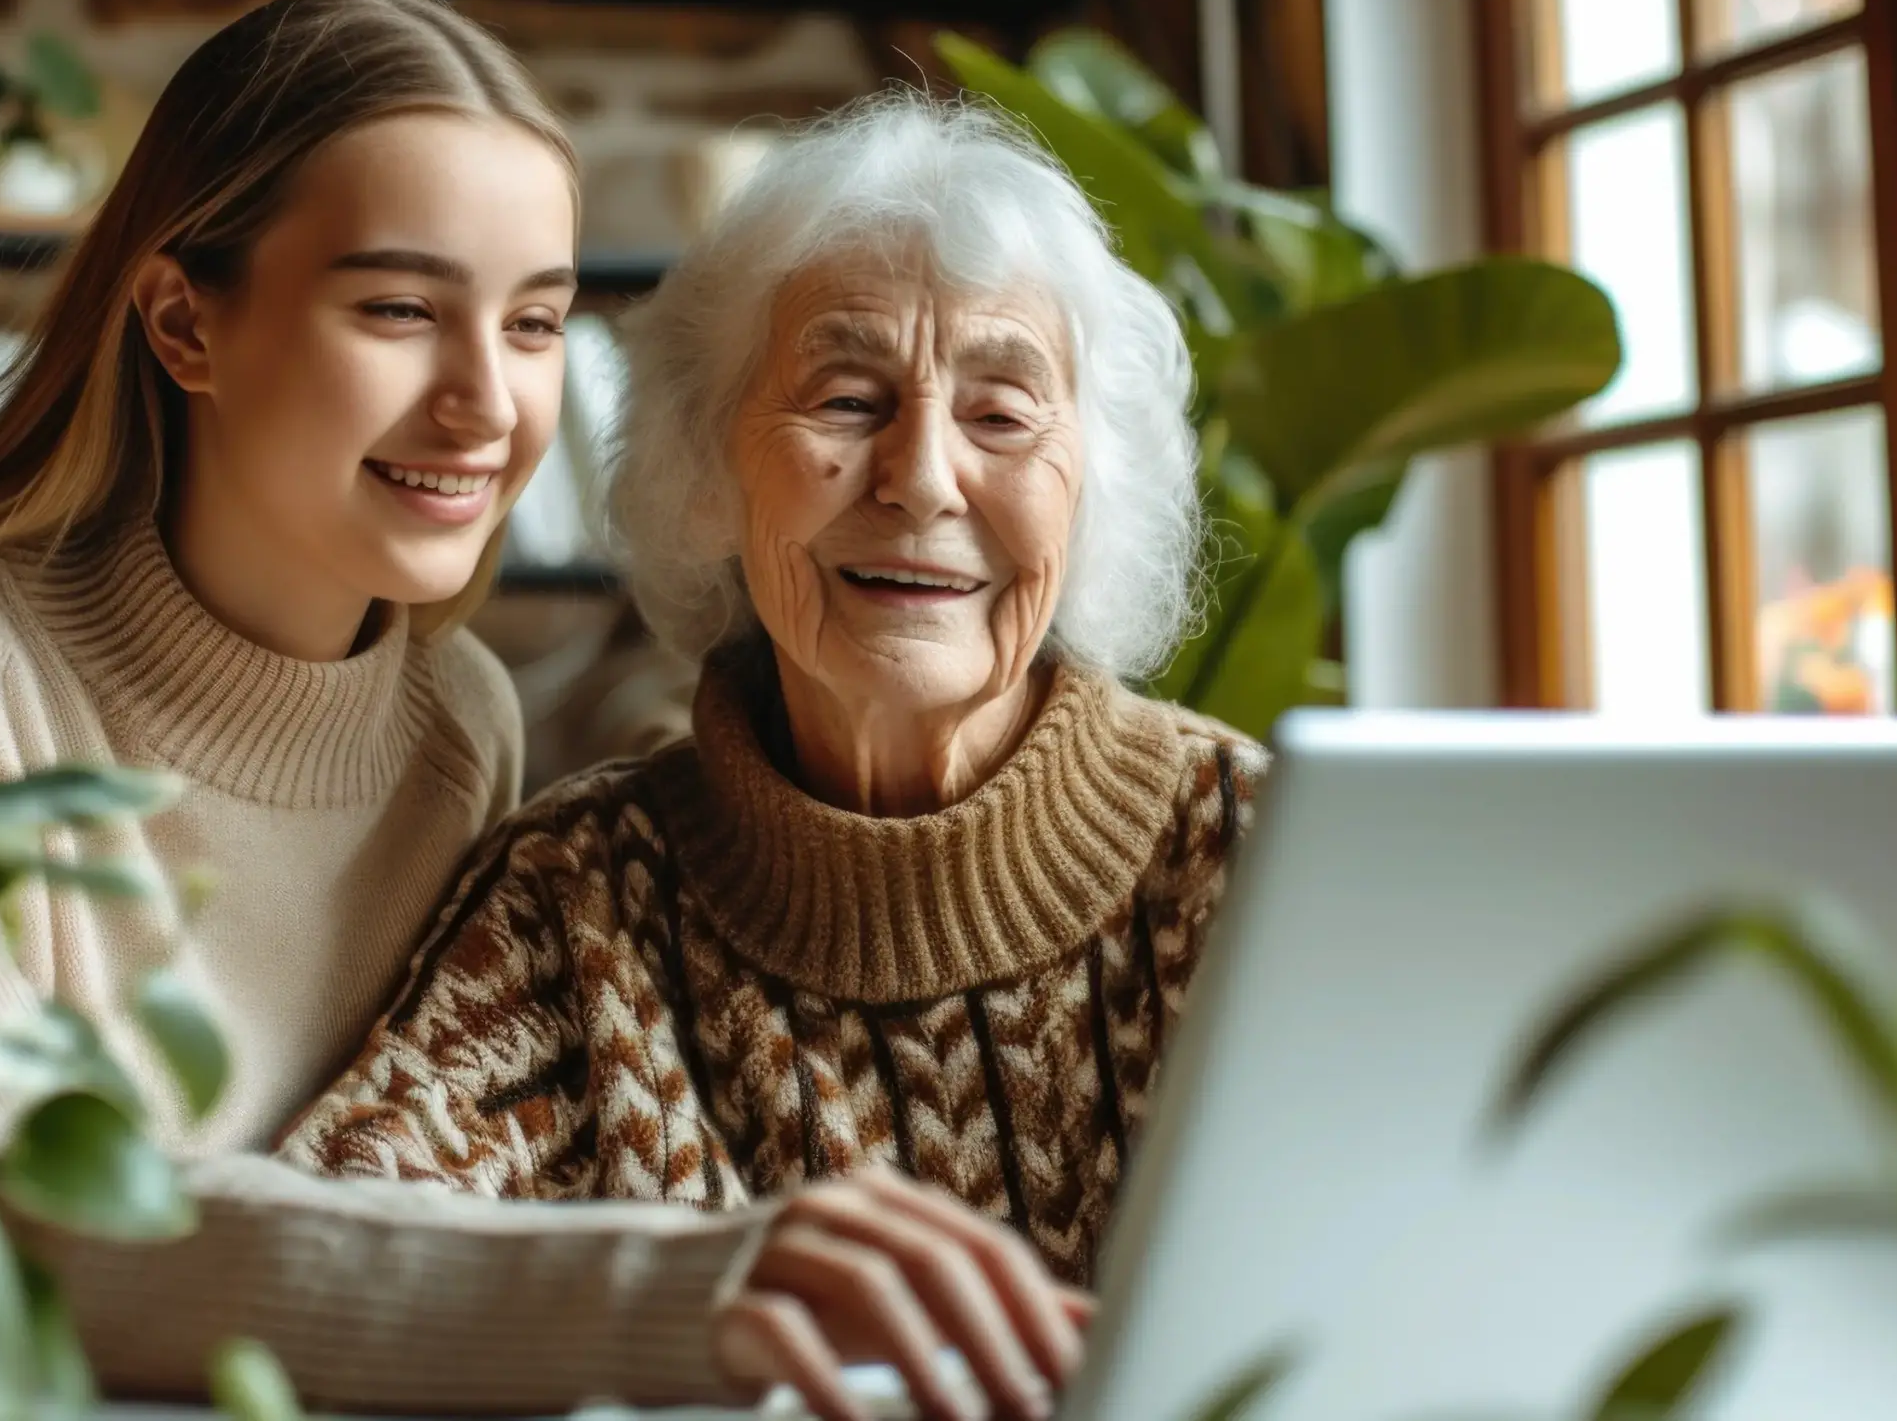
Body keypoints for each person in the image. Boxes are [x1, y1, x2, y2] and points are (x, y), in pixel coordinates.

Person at [0, 0, 1081, 1421]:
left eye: (534, 321)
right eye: (400, 307)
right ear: (181, 321)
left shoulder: (454, 726)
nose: (487, 402)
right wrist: (668, 1283)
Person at [282, 93, 1266, 1307]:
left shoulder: (1255, 852)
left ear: (1088, 494)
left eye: (1000, 415)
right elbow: (339, 1246)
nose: (919, 481)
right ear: (709, 469)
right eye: (846, 402)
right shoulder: (581, 902)